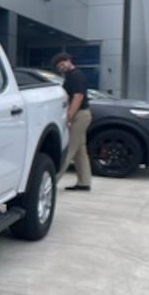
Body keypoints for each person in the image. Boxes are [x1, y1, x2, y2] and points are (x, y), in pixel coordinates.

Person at [51, 51, 92, 191]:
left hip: (79, 116)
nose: (62, 67)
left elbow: (78, 97)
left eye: (62, 64)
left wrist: (69, 117)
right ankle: (84, 182)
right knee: (80, 150)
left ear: (69, 61)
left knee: (68, 150)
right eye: (59, 67)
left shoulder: (75, 76)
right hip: (82, 115)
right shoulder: (71, 76)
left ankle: (50, 183)